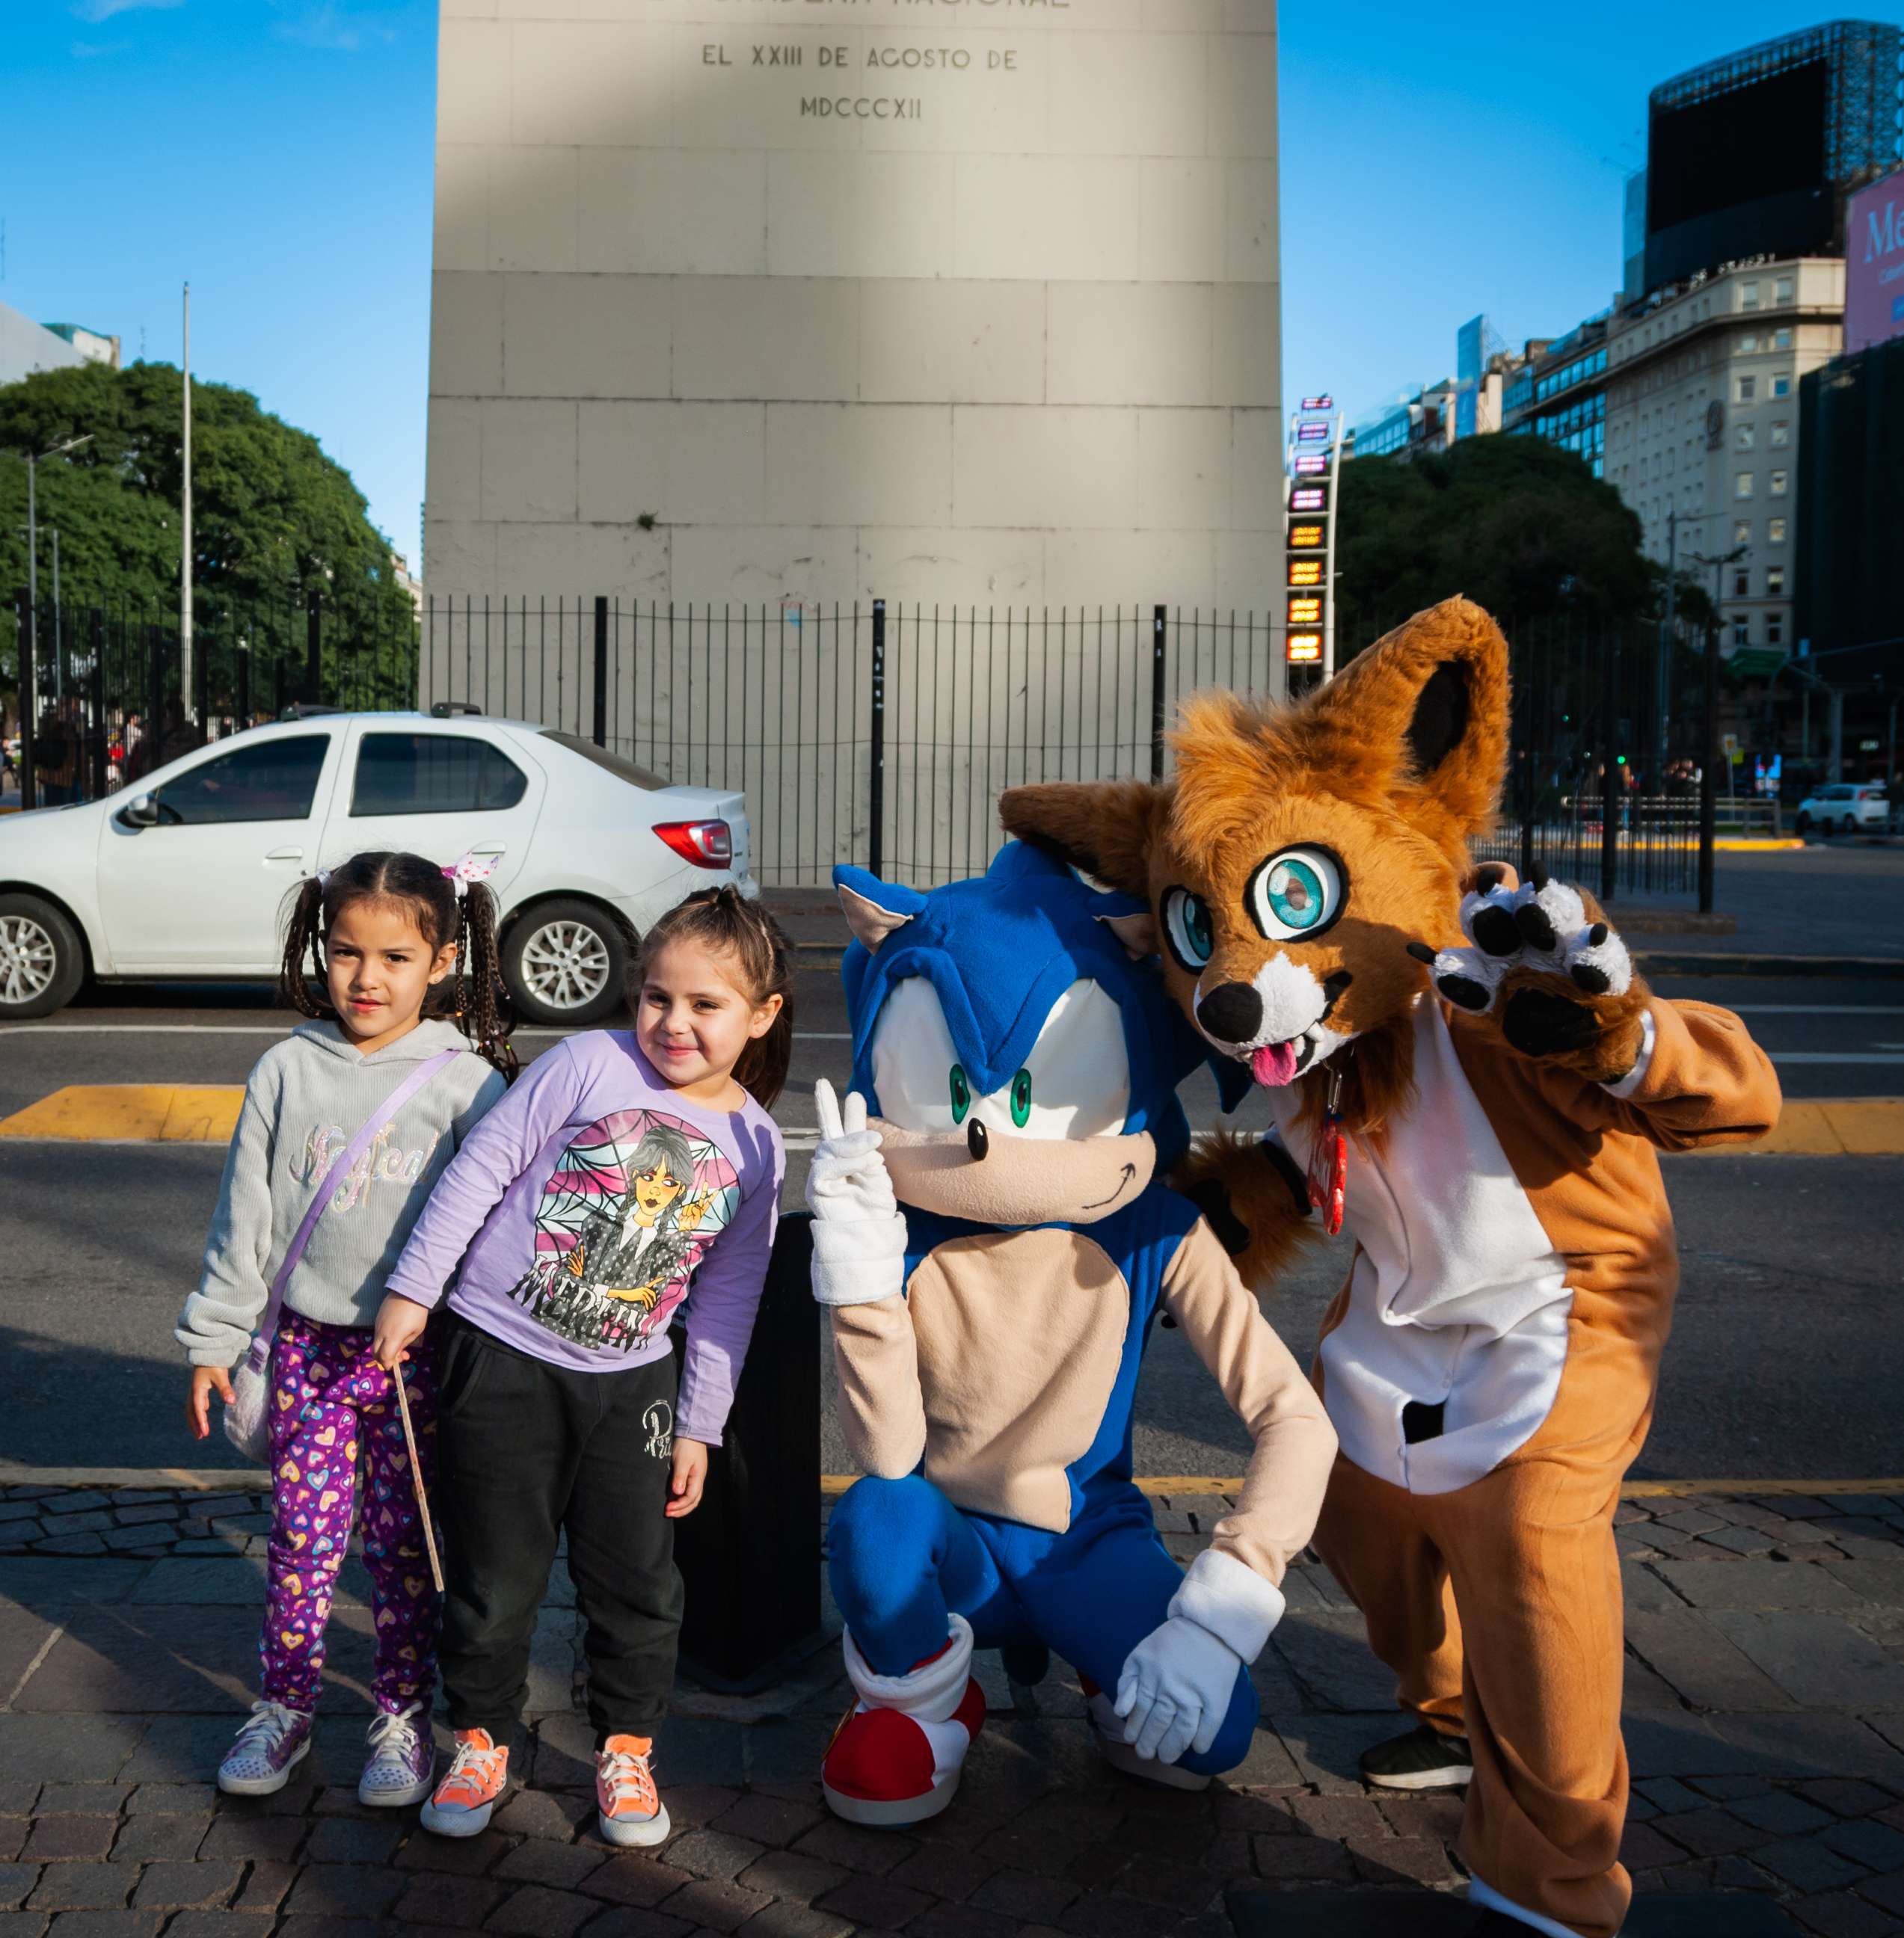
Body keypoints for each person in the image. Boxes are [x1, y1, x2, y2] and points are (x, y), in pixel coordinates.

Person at [375, 885, 791, 1849]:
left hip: (631, 1388)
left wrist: (699, 1425)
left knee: (638, 1585)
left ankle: (626, 1750)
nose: (673, 1022)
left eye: (705, 1004)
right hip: (498, 1357)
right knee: (492, 1575)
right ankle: (481, 1739)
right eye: (657, 996)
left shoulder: (756, 1146)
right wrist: (413, 1290)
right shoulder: (585, 1063)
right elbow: (479, 1170)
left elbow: (728, 1298)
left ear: (762, 1015)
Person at [178, 852, 517, 1805]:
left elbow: (493, 1240)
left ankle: (401, 1715)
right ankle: (284, 1707)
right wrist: (213, 1340)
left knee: (405, 1551)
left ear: (442, 961)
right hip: (306, 1351)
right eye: (345, 952)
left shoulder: (467, 1086)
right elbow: (243, 1219)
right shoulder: (286, 1069)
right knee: (300, 1542)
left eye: (395, 957)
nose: (366, 978)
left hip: (414, 1363)